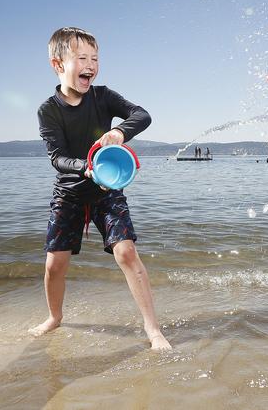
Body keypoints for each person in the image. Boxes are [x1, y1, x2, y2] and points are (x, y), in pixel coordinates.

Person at [30, 27, 171, 350]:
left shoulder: (104, 96)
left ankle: (153, 330)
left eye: (95, 58)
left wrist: (121, 132)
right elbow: (57, 158)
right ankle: (55, 317)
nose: (90, 65)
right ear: (58, 64)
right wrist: (86, 167)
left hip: (108, 190)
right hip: (69, 193)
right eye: (82, 58)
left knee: (127, 251)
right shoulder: (48, 110)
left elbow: (143, 115)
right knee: (55, 264)